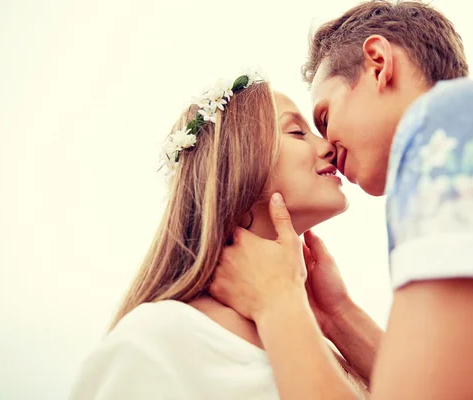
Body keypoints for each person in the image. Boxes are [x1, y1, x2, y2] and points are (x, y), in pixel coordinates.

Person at [209, 1, 473, 399]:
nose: (325, 144)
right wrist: (337, 316)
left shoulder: (449, 136)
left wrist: (278, 303)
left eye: (324, 117)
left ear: (378, 62)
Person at [68, 71, 372, 399]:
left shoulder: (318, 349)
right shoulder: (157, 341)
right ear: (240, 162)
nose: (328, 145)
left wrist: (336, 315)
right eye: (297, 132)